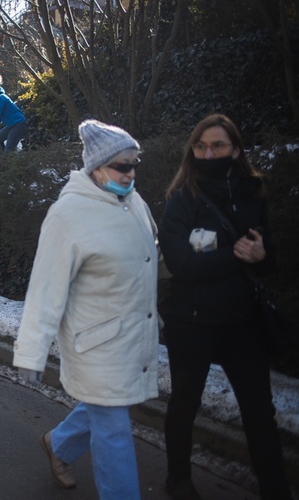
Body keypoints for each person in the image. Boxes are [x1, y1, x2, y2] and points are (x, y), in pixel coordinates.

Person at [13, 120, 158, 499]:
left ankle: (58, 444)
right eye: (122, 166)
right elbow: (46, 289)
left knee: (109, 407)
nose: (130, 173)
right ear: (96, 167)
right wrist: (31, 352)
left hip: (131, 334)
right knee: (114, 429)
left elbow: (146, 256)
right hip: (94, 343)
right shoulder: (68, 214)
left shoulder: (133, 201)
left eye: (134, 164)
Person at [158, 114, 292, 499]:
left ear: (235, 149)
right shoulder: (182, 199)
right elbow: (182, 265)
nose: (207, 152)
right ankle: (178, 480)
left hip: (241, 321)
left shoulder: (253, 193)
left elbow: (268, 263)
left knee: (259, 411)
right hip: (191, 321)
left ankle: (275, 487)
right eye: (200, 146)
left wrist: (261, 254)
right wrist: (239, 257)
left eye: (217, 145)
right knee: (185, 404)